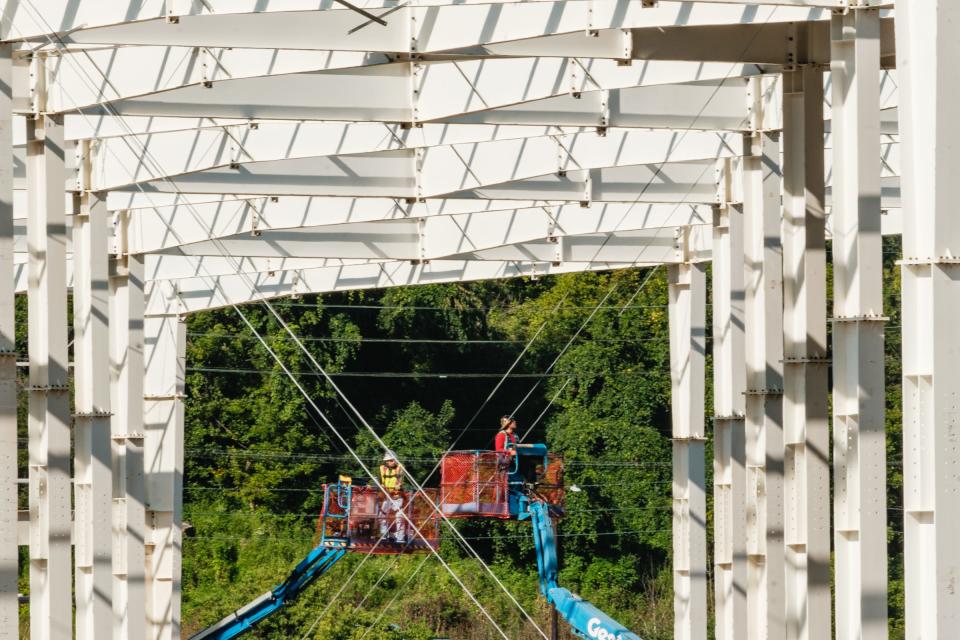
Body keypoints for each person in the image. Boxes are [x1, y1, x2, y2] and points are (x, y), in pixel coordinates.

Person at [379, 451, 406, 543]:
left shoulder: (399, 468)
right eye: (388, 461)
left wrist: (398, 485)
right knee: (382, 515)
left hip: (397, 496)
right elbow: (381, 481)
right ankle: (384, 535)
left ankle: (400, 538)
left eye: (391, 460)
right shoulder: (383, 469)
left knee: (399, 516)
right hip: (387, 496)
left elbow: (400, 480)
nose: (389, 462)